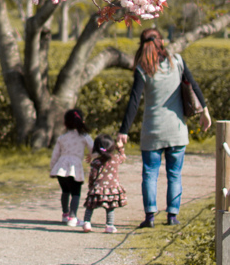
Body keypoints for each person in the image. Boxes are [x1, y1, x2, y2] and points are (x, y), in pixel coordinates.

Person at [117, 27, 212, 228]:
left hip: (152, 132)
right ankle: (172, 215)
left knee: (150, 174)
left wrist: (124, 131)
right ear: (161, 41)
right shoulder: (177, 61)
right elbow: (193, 85)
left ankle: (150, 216)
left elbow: (134, 101)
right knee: (174, 174)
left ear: (142, 45)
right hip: (176, 130)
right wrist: (204, 111)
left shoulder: (143, 69)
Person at [50, 108, 93, 227]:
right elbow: (94, 148)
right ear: (81, 121)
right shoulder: (84, 136)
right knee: (75, 192)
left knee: (65, 191)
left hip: (61, 168)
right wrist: (92, 156)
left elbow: (55, 155)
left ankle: (65, 214)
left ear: (65, 123)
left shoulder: (62, 137)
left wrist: (52, 168)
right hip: (74, 168)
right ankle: (72, 217)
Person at [82, 133, 127, 233]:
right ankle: (109, 225)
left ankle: (87, 223)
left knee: (90, 205)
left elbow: (92, 175)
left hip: (98, 188)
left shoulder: (96, 162)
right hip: (112, 188)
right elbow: (123, 157)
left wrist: (91, 186)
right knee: (110, 207)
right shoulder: (115, 159)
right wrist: (120, 148)